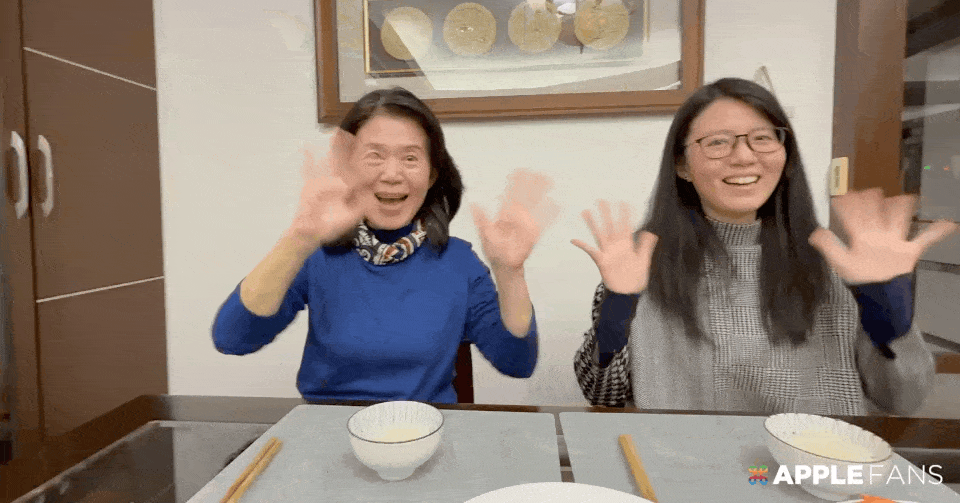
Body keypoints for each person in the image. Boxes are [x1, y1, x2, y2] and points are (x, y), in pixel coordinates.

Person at [571, 77, 958, 415]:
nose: (743, 156)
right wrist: (618, 308)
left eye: (762, 139)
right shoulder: (641, 260)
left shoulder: (840, 263)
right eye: (717, 142)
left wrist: (886, 309)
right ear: (682, 165)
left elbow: (904, 401)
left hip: (820, 463)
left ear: (785, 157)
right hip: (684, 458)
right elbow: (602, 395)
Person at [213, 87, 556, 403]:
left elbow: (517, 363)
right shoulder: (316, 254)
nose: (392, 175)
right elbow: (232, 339)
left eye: (410, 158)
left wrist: (510, 272)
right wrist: (300, 237)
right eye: (375, 156)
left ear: (432, 174)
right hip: (330, 430)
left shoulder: (459, 261)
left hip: (427, 432)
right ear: (347, 167)